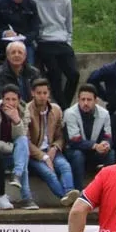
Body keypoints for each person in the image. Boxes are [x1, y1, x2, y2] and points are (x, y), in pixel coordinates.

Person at [0, 84, 38, 209]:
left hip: (14, 153)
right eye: (7, 99)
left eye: (14, 99)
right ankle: (27, 198)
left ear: (19, 100)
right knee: (22, 157)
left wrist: (16, 120)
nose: (10, 102)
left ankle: (17, 175)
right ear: (2, 100)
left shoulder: (24, 112)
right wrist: (11, 148)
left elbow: (21, 136)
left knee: (23, 143)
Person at [33, 0, 79, 110]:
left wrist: (68, 42)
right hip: (45, 41)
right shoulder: (34, 0)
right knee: (55, 74)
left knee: (74, 74)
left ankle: (63, 106)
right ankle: (64, 110)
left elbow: (68, 24)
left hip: (62, 41)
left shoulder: (65, 0)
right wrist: (37, 43)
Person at [27, 78, 78, 206]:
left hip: (52, 149)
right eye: (39, 93)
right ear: (33, 93)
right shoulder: (26, 111)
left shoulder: (56, 109)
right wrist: (44, 157)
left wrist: (55, 147)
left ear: (48, 93)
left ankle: (69, 193)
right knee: (49, 173)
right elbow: (25, 141)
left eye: (45, 93)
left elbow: (61, 136)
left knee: (65, 166)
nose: (42, 96)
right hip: (34, 153)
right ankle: (67, 198)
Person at [64, 84, 115, 191]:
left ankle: (108, 189)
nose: (85, 103)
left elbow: (108, 136)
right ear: (78, 100)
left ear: (96, 100)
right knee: (78, 155)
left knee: (110, 153)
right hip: (74, 151)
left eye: (89, 100)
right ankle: (78, 191)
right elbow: (75, 141)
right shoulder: (70, 113)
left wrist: (105, 144)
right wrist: (95, 146)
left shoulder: (104, 114)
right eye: (82, 99)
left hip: (93, 152)